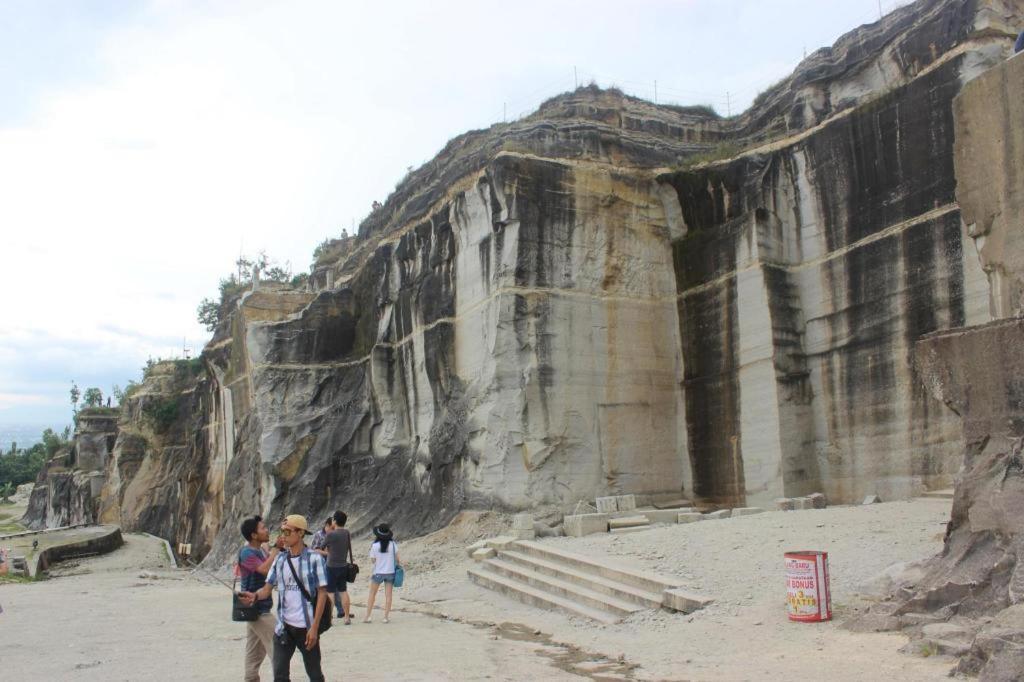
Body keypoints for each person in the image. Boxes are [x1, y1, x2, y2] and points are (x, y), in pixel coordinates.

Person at [240, 514, 329, 682]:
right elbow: (267, 588)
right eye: (282, 531)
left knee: (315, 674)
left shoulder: (314, 559)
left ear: (301, 533)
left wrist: (315, 628)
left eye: (287, 532)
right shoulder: (280, 560)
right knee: (280, 675)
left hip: (307, 627)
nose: (283, 536)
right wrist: (255, 595)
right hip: (284, 628)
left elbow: (322, 593)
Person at [238, 515, 282, 682]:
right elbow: (264, 570)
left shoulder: (259, 550)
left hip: (256, 609)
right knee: (279, 648)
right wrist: (275, 549)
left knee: (254, 653)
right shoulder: (247, 552)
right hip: (258, 609)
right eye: (263, 528)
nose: (266, 530)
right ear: (254, 535)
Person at [363, 524, 399, 624]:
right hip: (390, 572)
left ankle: (368, 616)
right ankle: (385, 618)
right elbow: (397, 559)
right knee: (388, 596)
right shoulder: (393, 545)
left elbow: (373, 560)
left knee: (372, 594)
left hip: (378, 572)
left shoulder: (374, 546)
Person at [322, 511, 353, 624]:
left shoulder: (331, 534)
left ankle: (329, 619)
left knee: (330, 592)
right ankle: (347, 617)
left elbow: (322, 547)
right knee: (343, 591)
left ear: (334, 521)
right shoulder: (346, 533)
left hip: (331, 566)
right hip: (343, 565)